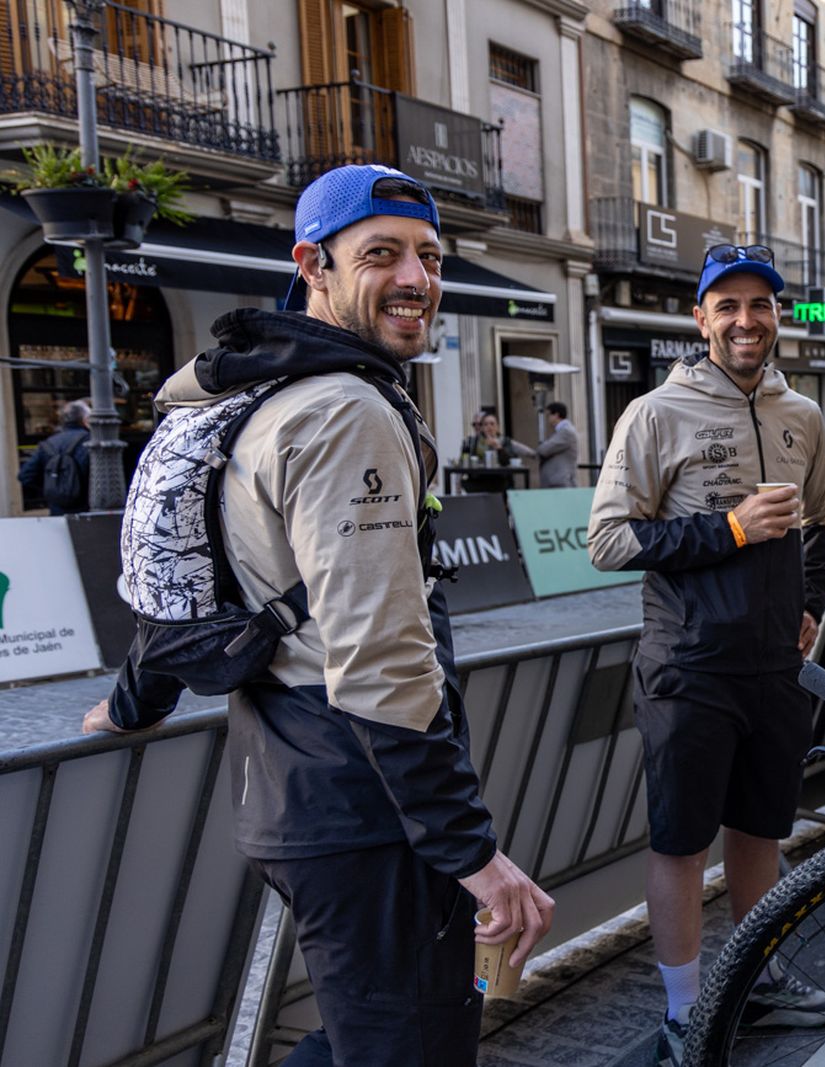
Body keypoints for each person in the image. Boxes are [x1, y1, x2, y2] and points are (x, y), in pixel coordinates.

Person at [82, 164, 553, 1066]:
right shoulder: (345, 410)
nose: (417, 279)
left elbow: (182, 581)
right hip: (369, 811)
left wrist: (128, 705)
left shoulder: (248, 389)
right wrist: (473, 854)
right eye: (382, 254)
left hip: (290, 795)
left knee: (363, 1038)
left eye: (429, 255)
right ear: (315, 264)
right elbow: (382, 663)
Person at [587, 243, 825, 1065]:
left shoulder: (800, 415)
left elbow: (823, 519)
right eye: (726, 306)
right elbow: (606, 541)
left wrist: (809, 602)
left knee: (761, 832)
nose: (745, 320)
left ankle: (756, 981)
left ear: (778, 316)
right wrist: (728, 529)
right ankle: (685, 1010)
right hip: (687, 666)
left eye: (760, 304)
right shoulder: (656, 414)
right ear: (699, 320)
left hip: (774, 666)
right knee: (680, 842)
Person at [18, 399, 91, 514]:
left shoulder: (48, 444)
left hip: (58, 511)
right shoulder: (91, 441)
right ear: (84, 420)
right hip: (87, 509)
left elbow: (25, 475)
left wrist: (51, 486)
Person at [536, 401, 579, 487]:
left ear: (556, 415)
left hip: (560, 481)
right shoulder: (561, 431)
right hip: (557, 481)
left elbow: (544, 450)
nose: (548, 418)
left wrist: (541, 447)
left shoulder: (566, 431)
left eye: (549, 415)